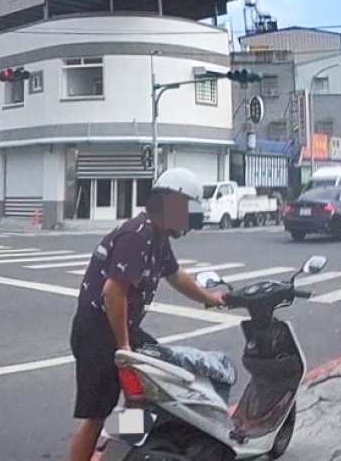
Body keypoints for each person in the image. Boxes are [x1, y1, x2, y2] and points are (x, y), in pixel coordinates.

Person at [66, 168, 227, 461]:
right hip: (97, 332)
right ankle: (102, 440)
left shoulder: (159, 237)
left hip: (116, 327)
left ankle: (118, 446)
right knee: (96, 416)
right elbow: (113, 292)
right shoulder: (138, 235)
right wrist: (125, 346)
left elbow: (176, 275)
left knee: (150, 385)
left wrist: (209, 299)